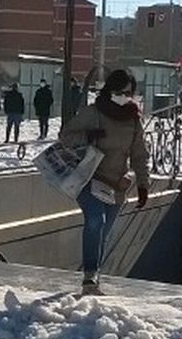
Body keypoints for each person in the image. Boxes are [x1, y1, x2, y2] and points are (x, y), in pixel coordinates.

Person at [58, 69, 151, 293]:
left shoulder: (133, 119)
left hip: (116, 184)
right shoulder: (93, 113)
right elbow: (65, 136)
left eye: (129, 92)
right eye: (120, 92)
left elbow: (140, 154)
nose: (124, 96)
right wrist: (89, 136)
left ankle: (94, 278)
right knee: (95, 222)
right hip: (88, 179)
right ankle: (89, 275)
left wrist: (143, 185)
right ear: (110, 91)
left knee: (104, 233)